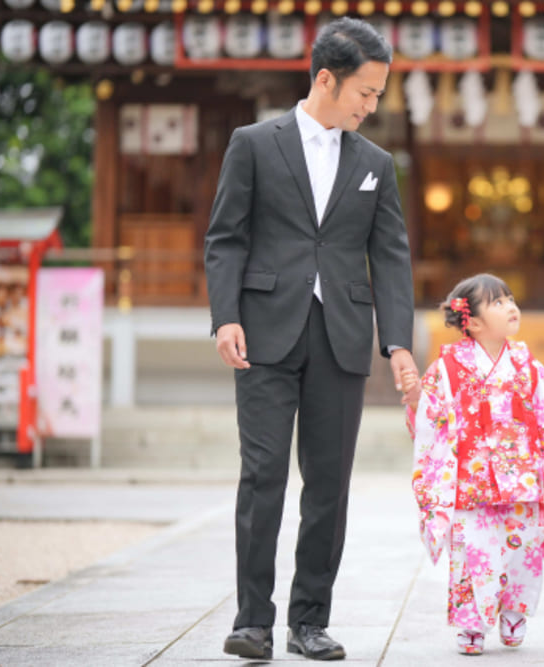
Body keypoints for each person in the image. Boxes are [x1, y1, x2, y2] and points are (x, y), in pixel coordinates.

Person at [203, 17, 419, 662]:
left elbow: (393, 255)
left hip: (342, 338)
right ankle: (252, 621)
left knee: (328, 483)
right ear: (326, 78)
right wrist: (225, 316)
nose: (372, 105)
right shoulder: (253, 143)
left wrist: (399, 342)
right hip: (263, 333)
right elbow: (226, 238)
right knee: (263, 475)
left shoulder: (376, 163)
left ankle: (309, 621)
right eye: (366, 92)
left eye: (379, 95)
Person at [403, 274, 544, 655]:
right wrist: (418, 399)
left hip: (520, 478)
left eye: (511, 299)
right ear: (474, 322)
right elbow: (431, 417)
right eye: (498, 303)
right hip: (471, 479)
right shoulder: (448, 366)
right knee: (473, 550)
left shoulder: (524, 361)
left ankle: (514, 609)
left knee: (521, 547)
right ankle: (471, 621)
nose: (511, 306)